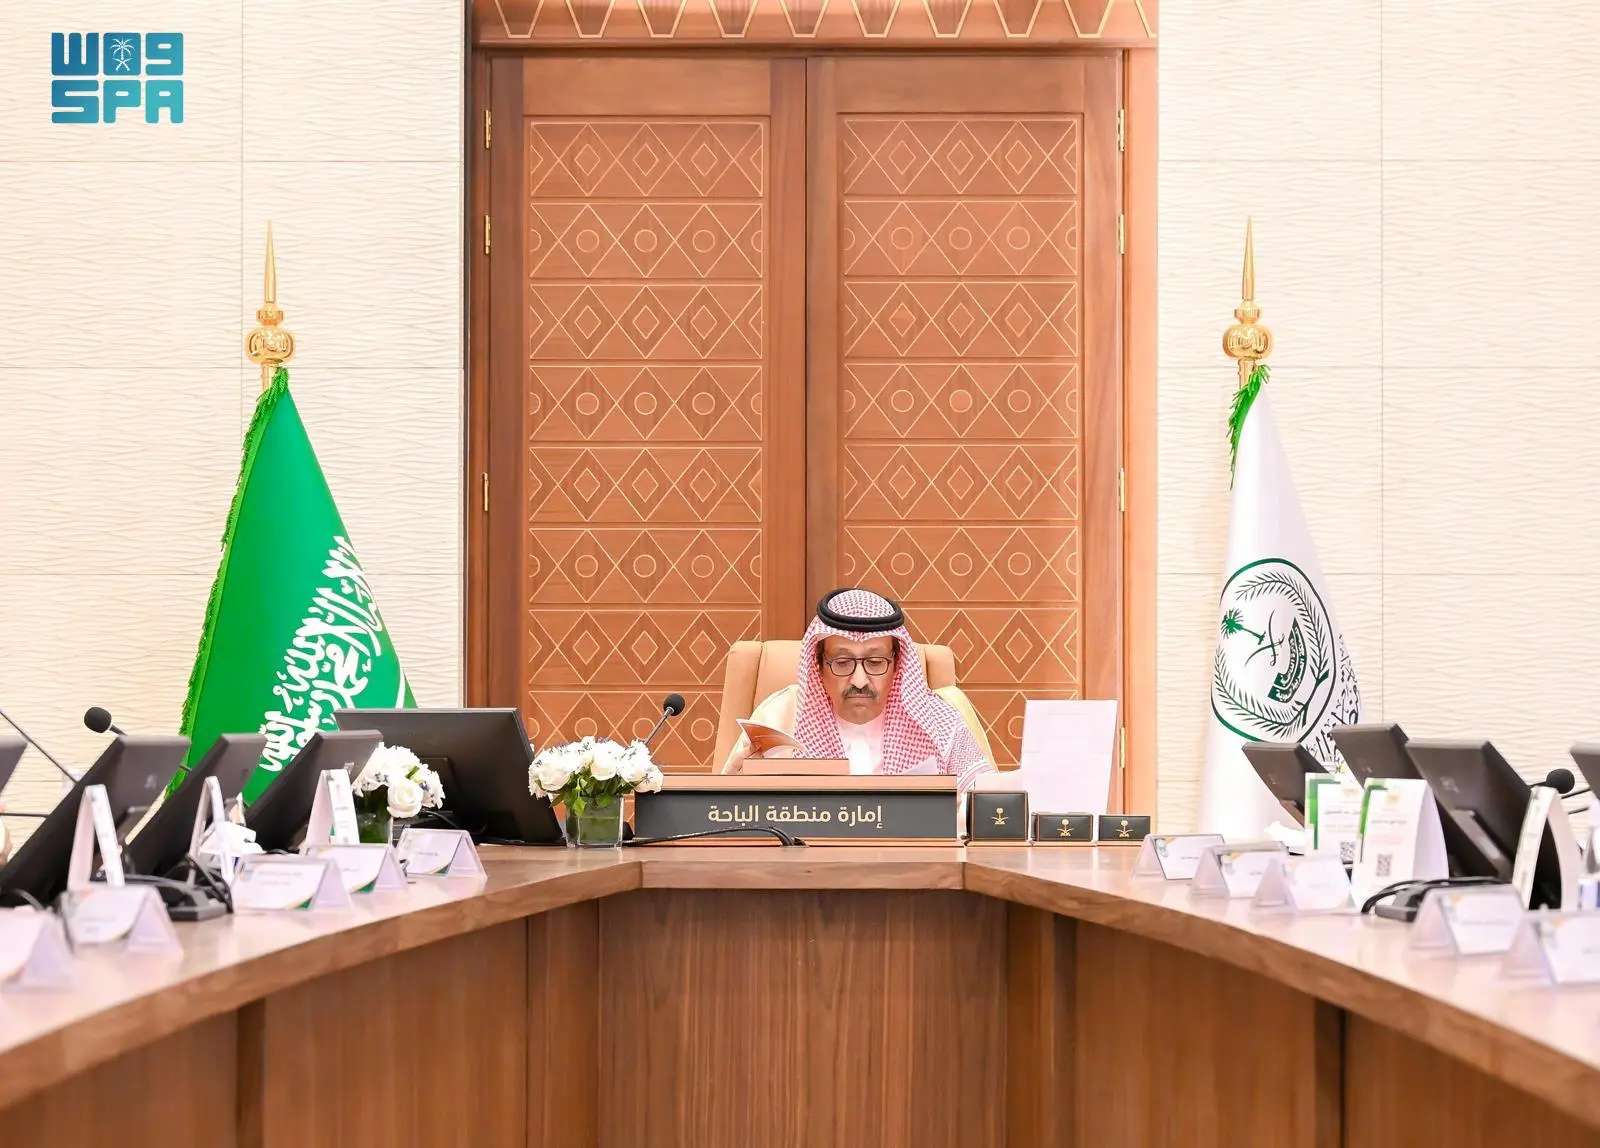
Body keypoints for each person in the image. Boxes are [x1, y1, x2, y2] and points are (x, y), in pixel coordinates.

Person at [719, 587, 994, 793]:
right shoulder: (778, 718)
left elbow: (986, 808)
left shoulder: (941, 723)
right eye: (842, 663)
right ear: (819, 665)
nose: (860, 680)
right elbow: (728, 807)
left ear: (897, 664)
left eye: (875, 662)